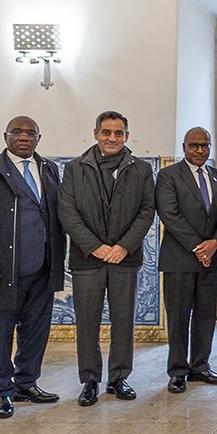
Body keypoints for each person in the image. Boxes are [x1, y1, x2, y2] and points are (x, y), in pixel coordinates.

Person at [0, 115, 65, 419]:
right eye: (17, 132)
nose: (24, 137)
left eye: (30, 133)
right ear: (5, 136)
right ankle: (1, 391)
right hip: (3, 270)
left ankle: (26, 383)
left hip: (43, 267)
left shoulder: (49, 169)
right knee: (1, 333)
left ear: (39, 138)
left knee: (36, 330)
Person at [58, 111, 156, 407]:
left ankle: (118, 378)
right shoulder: (75, 168)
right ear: (95, 133)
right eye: (106, 132)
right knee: (86, 322)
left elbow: (146, 211)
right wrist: (95, 246)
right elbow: (67, 211)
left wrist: (123, 246)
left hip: (124, 259)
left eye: (118, 133)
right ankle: (89, 380)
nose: (112, 138)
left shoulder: (140, 169)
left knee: (123, 319)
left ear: (127, 135)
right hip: (88, 259)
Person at [155, 126, 217, 394]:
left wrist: (216, 242)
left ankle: (201, 366)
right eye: (194, 146)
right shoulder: (168, 176)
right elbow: (169, 215)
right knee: (178, 318)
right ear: (184, 147)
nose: (200, 150)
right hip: (179, 260)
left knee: (206, 316)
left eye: (205, 146)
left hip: (211, 260)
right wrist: (200, 247)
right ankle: (177, 371)